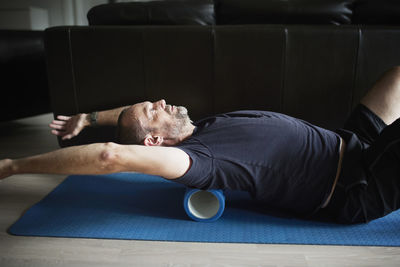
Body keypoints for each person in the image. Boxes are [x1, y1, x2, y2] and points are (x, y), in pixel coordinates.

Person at [1, 66, 400, 224]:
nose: (158, 100)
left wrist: (88, 117)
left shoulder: (200, 129)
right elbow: (111, 154)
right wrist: (14, 167)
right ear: (156, 140)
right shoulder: (197, 160)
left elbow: (132, 121)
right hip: (355, 182)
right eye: (151, 110)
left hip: (354, 143)